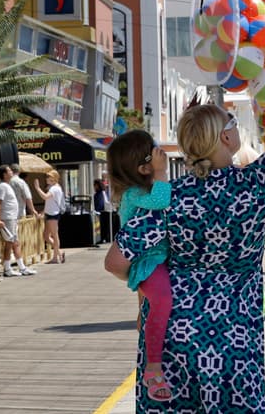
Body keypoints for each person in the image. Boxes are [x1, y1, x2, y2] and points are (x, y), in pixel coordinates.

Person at [105, 0, 265, 412]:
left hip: (171, 337)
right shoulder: (255, 185)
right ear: (225, 139)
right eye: (232, 123)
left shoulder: (167, 201)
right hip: (234, 336)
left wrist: (152, 286)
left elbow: (116, 261)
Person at [108, 130, 176, 403]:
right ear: (144, 167)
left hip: (158, 259)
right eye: (155, 152)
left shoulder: (141, 190)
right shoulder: (134, 193)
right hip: (147, 262)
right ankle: (153, 368)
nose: (160, 154)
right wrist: (162, 173)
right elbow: (162, 201)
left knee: (150, 309)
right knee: (162, 300)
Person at [0, 166, 33, 276]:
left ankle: (21, 267)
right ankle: (7, 268)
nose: (11, 172)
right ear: (4, 174)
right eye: (9, 171)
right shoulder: (2, 186)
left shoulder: (7, 185)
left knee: (14, 242)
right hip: (8, 217)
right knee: (10, 242)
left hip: (12, 217)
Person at [31, 170, 67, 264]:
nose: (47, 178)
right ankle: (59, 252)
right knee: (46, 236)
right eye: (47, 177)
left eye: (49, 177)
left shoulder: (54, 188)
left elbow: (46, 197)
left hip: (53, 214)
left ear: (54, 178)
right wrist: (43, 212)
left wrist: (37, 188)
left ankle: (55, 257)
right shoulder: (55, 188)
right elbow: (49, 202)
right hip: (50, 213)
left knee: (54, 235)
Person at [93, 179, 111, 247]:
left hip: (102, 211)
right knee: (103, 226)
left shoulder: (100, 193)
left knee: (103, 226)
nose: (94, 187)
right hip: (103, 211)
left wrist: (97, 209)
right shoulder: (102, 192)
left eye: (95, 185)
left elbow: (101, 203)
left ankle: (103, 238)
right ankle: (104, 238)